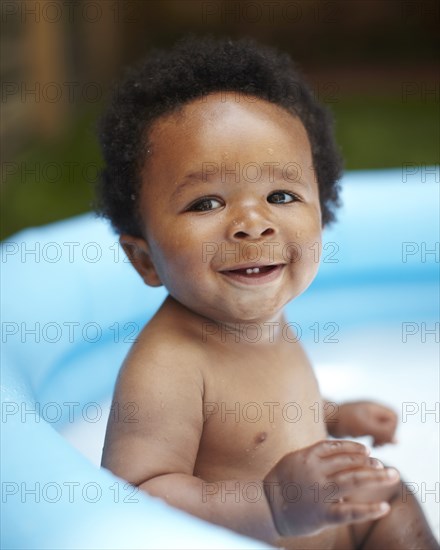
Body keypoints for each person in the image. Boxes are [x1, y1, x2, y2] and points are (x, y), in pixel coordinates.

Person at [98, 36, 438, 549]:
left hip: (331, 527)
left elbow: (269, 410)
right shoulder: (169, 366)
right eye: (206, 202)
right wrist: (271, 503)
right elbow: (135, 496)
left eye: (281, 195)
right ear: (145, 259)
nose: (252, 225)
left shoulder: (262, 317)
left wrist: (336, 415)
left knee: (388, 492)